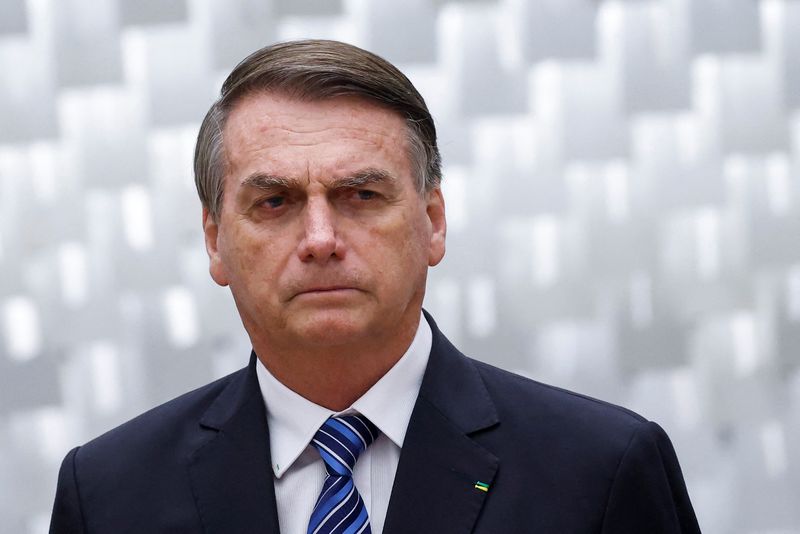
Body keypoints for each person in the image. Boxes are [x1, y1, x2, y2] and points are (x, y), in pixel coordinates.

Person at [49, 39, 701, 533]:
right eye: (274, 202)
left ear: (433, 223)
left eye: (360, 195)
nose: (321, 237)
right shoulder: (109, 494)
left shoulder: (602, 472)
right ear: (215, 240)